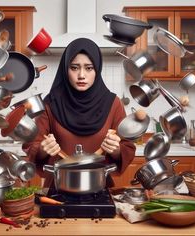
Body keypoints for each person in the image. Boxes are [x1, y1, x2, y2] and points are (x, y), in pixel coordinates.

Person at [23, 38, 136, 188]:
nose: (81, 75)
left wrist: (116, 150)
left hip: (100, 185)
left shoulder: (114, 103)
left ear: (97, 69)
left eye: (89, 68)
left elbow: (127, 147)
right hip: (58, 185)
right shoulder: (50, 103)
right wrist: (43, 149)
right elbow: (33, 145)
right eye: (74, 67)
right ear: (65, 69)